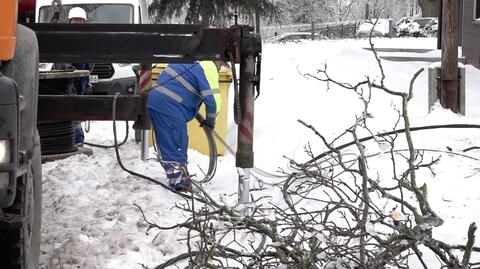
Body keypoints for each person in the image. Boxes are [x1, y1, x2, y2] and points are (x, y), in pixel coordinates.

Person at [147, 61, 224, 192]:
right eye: (222, 63)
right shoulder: (208, 66)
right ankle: (180, 184)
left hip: (159, 102)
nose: (221, 67)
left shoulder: (191, 58)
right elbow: (214, 101)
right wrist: (211, 121)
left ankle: (180, 178)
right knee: (176, 143)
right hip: (169, 106)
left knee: (171, 143)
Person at [67, 7, 91, 146]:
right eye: (76, 19)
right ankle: (76, 139)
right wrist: (68, 69)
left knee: (77, 108)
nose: (78, 22)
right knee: (71, 107)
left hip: (81, 80)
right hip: (68, 79)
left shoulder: (86, 37)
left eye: (81, 20)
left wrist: (86, 78)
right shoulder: (63, 37)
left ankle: (76, 139)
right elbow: (60, 58)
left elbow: (89, 59)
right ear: (70, 20)